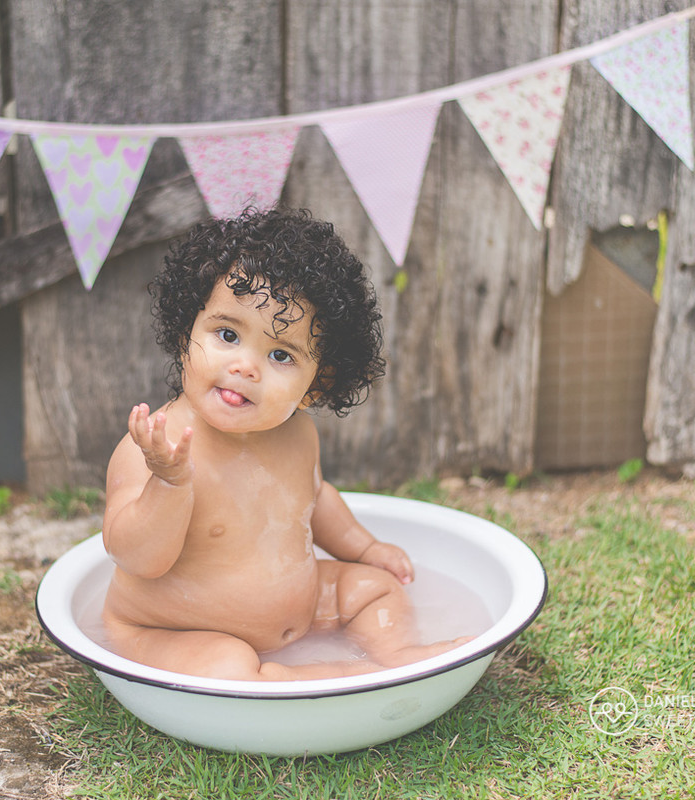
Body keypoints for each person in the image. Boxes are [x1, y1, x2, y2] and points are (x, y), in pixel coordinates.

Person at [100, 207, 467, 680]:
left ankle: (397, 654)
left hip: (305, 607)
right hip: (173, 630)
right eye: (228, 334)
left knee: (374, 589)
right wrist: (169, 483)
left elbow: (315, 499)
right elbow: (136, 558)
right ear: (185, 330)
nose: (245, 367)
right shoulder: (153, 447)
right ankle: (306, 680)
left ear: (315, 385)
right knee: (227, 667)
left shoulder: (297, 433)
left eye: (280, 354)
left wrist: (365, 548)